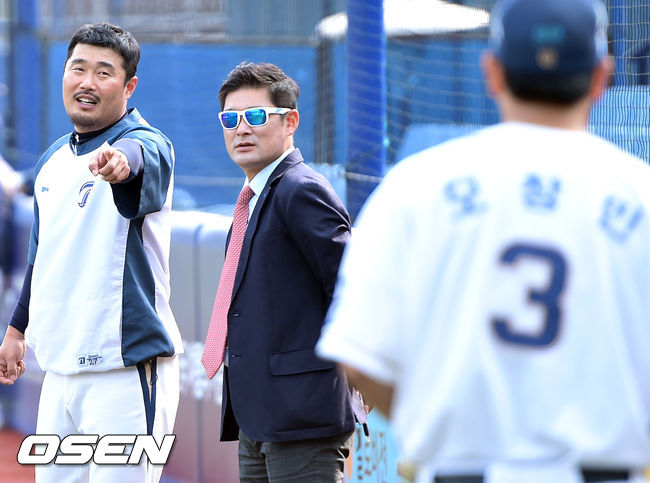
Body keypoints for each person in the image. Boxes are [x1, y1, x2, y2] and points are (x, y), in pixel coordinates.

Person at [317, 0, 650, 482]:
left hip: (461, 471)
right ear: (602, 76)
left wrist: (431, 427)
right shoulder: (640, 194)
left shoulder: (416, 185)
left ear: (492, 72)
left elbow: (358, 357)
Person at [0, 22, 183, 483]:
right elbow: (42, 257)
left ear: (129, 86)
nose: (87, 82)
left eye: (104, 72)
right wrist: (16, 330)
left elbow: (137, 158)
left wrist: (121, 164)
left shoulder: (147, 142)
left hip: (124, 368)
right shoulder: (52, 160)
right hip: (59, 371)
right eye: (78, 68)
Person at [201, 61, 357, 482]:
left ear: (290, 122)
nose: (241, 129)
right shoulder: (256, 196)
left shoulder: (300, 189)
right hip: (258, 419)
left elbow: (351, 286)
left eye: (255, 116)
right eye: (230, 119)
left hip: (303, 418)